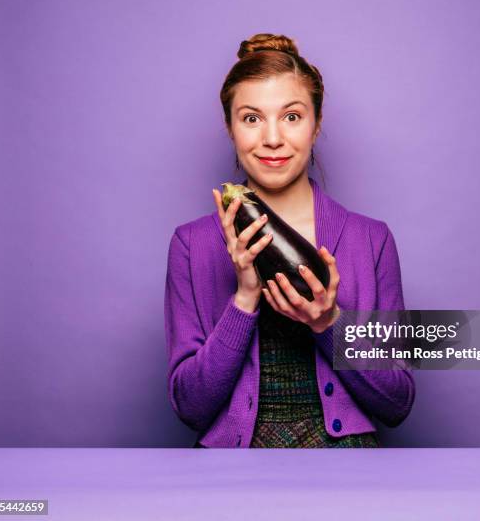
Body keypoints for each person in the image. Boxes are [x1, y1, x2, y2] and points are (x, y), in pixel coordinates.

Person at [164, 33, 415, 448]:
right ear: (230, 128)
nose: (273, 139)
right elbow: (190, 409)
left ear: (316, 125)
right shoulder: (191, 245)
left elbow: (398, 402)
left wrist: (328, 324)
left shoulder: (371, 240)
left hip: (346, 466)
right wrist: (244, 298)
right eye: (251, 118)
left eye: (292, 117)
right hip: (230, 473)